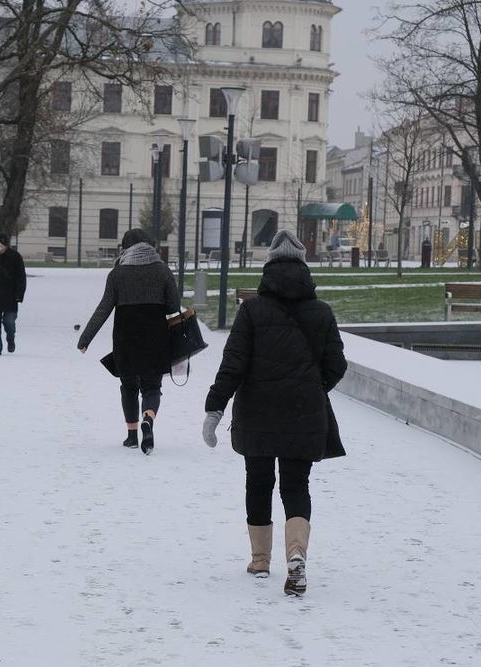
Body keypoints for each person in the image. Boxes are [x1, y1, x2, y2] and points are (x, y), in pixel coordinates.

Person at [201, 229, 347, 596]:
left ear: (268, 267)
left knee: (259, 481)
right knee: (297, 485)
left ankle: (260, 559)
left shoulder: (251, 311)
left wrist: (214, 407)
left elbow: (232, 364)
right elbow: (337, 365)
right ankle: (296, 556)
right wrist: (313, 390)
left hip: (258, 413)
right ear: (304, 267)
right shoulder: (322, 313)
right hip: (304, 413)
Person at [77, 228, 180, 454]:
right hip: (155, 336)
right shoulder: (163, 271)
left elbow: (103, 308)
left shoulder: (117, 274)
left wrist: (86, 338)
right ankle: (148, 419)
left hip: (126, 338)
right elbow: (173, 306)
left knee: (129, 386)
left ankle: (132, 436)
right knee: (152, 387)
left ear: (125, 248)